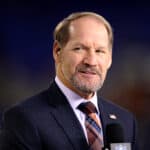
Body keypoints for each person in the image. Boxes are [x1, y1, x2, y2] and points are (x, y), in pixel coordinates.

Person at [0, 11, 138, 150]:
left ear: (110, 58)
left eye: (100, 51)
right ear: (57, 51)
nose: (91, 61)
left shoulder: (126, 121)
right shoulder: (23, 118)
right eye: (79, 49)